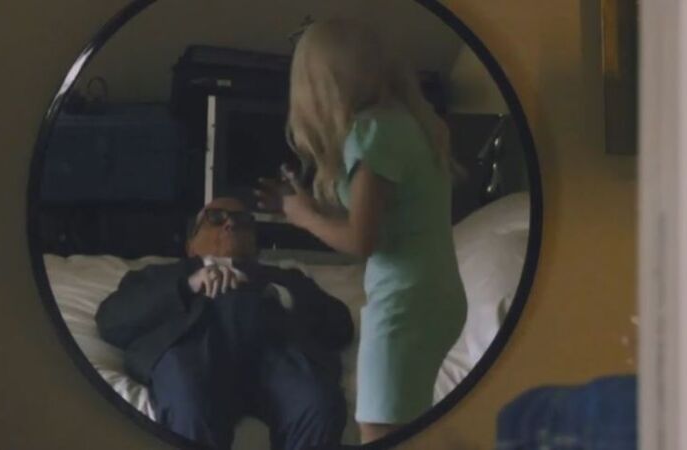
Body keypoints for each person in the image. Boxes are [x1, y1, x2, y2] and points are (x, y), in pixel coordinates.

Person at [256, 18, 468, 444]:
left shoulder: (371, 133)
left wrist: (303, 216)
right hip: (435, 295)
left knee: (378, 431)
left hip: (404, 302)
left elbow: (361, 240)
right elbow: (387, 217)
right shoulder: (408, 123)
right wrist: (311, 206)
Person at [95, 197, 353, 450]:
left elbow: (341, 326)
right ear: (190, 245)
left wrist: (280, 294)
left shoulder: (285, 278)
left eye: (242, 221)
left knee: (319, 403)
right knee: (189, 401)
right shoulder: (162, 275)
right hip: (192, 351)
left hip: (277, 354)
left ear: (255, 244)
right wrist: (189, 285)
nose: (230, 224)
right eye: (215, 218)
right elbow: (112, 320)